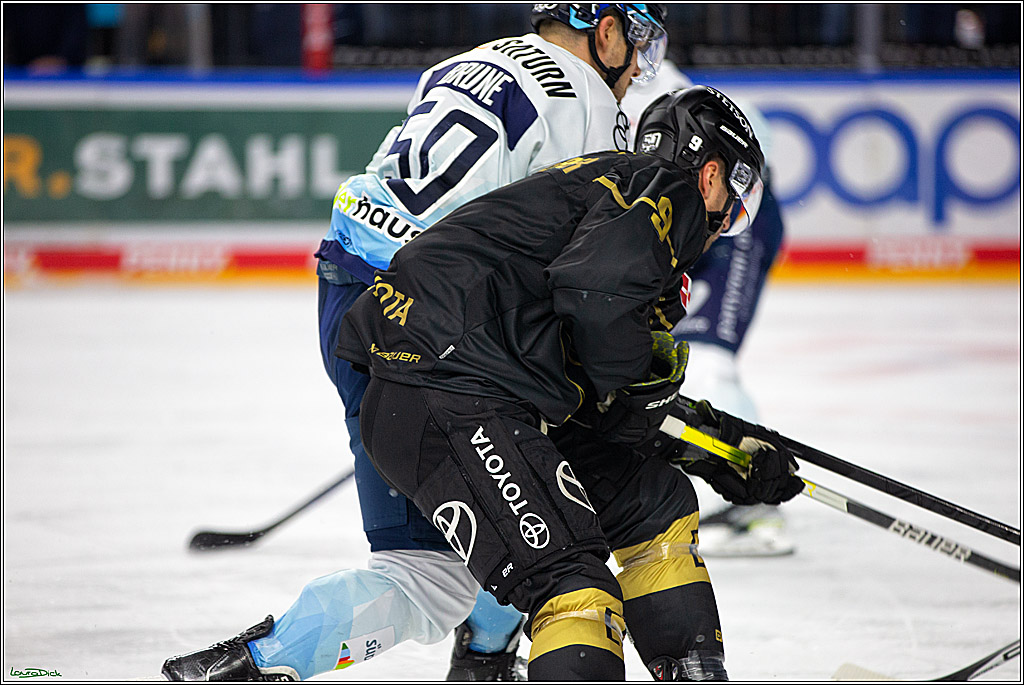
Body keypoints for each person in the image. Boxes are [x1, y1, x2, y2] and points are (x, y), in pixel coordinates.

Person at [161, 4, 669, 681]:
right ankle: (473, 657)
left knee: (448, 534)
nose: (637, 70)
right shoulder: (591, 105)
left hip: (347, 294)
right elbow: (581, 273)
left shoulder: (467, 61)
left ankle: (467, 659)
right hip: (432, 322)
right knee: (491, 524)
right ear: (604, 31)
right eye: (637, 46)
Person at [335, 86, 803, 680]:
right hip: (448, 392)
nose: (723, 229)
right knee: (573, 587)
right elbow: (599, 311)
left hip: (470, 388)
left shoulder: (611, 195)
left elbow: (601, 385)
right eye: (734, 208)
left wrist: (714, 446)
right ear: (710, 176)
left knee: (653, 504)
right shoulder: (666, 191)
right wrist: (681, 424)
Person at [622, 62, 792, 558]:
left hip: (733, 221)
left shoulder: (647, 82)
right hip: (687, 220)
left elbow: (757, 156)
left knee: (707, 357)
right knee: (678, 351)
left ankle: (753, 492)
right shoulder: (592, 77)